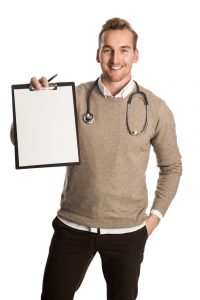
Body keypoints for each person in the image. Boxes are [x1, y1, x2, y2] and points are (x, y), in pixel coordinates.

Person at [13, 17, 182, 300]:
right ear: (97, 54)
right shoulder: (73, 97)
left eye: (124, 49)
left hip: (128, 233)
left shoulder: (156, 108)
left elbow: (172, 167)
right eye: (107, 49)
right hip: (72, 226)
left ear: (136, 55)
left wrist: (153, 220)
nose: (115, 58)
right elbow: (23, 142)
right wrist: (34, 103)